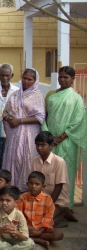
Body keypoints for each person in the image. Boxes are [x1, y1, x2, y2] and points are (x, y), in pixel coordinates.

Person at [42, 66, 87, 210]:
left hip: (67, 142)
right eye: (60, 77)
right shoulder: (52, 95)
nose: (62, 80)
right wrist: (48, 136)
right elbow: (45, 116)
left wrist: (60, 138)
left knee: (66, 176)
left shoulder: (76, 98)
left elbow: (78, 121)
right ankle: (49, 207)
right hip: (50, 142)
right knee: (50, 174)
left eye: (66, 77)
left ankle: (66, 207)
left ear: (73, 79)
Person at [3, 68, 45, 192]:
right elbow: (5, 112)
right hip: (14, 134)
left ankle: (26, 191)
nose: (26, 81)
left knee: (26, 159)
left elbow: (40, 117)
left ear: (35, 81)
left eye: (30, 79)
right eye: (24, 78)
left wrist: (19, 121)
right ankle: (12, 190)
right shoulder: (15, 94)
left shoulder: (37, 96)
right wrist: (9, 118)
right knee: (13, 159)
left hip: (29, 134)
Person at [32, 131, 75, 227]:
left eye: (43, 145)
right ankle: (61, 216)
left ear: (51, 146)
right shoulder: (35, 161)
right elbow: (33, 182)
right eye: (37, 145)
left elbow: (59, 186)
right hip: (41, 200)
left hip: (56, 201)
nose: (39, 148)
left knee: (43, 223)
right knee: (29, 217)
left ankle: (62, 213)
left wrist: (47, 205)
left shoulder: (59, 162)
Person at [16, 171, 64, 249]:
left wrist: (39, 232)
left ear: (43, 186)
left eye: (37, 184)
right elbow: (17, 215)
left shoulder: (48, 200)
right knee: (14, 229)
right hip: (26, 227)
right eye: (31, 183)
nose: (33, 186)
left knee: (58, 234)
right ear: (27, 184)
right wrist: (26, 227)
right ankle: (38, 240)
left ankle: (33, 238)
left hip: (42, 228)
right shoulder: (22, 197)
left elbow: (48, 218)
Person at [0, 186, 34, 250]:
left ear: (16, 203)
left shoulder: (19, 215)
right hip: (1, 239)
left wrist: (16, 232)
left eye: (8, 200)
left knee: (29, 243)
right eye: (1, 200)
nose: (4, 203)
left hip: (16, 241)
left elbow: (25, 238)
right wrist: (1, 230)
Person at [0, 63, 19, 170]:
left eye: (7, 75)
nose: (5, 78)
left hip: (10, 129)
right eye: (2, 75)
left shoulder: (17, 91)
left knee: (7, 157)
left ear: (12, 75)